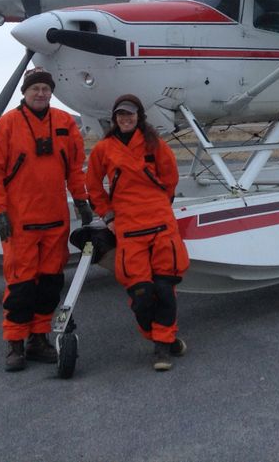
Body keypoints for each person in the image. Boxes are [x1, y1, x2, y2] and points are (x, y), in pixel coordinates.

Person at [0, 67, 94, 372]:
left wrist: (81, 200)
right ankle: (15, 344)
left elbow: (74, 167)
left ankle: (39, 339)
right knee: (21, 286)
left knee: (49, 284)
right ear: (25, 92)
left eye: (46, 88)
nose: (41, 93)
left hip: (55, 221)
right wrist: (0, 212)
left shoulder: (64, 122)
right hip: (20, 223)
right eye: (35, 89)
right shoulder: (7, 126)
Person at [87, 94, 190, 371]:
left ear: (139, 117)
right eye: (121, 115)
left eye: (130, 114)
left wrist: (159, 208)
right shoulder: (103, 149)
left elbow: (170, 179)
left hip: (160, 226)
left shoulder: (155, 145)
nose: (125, 119)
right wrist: (108, 215)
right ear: (114, 118)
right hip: (129, 229)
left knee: (166, 290)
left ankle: (161, 349)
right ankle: (161, 337)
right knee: (142, 295)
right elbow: (93, 185)